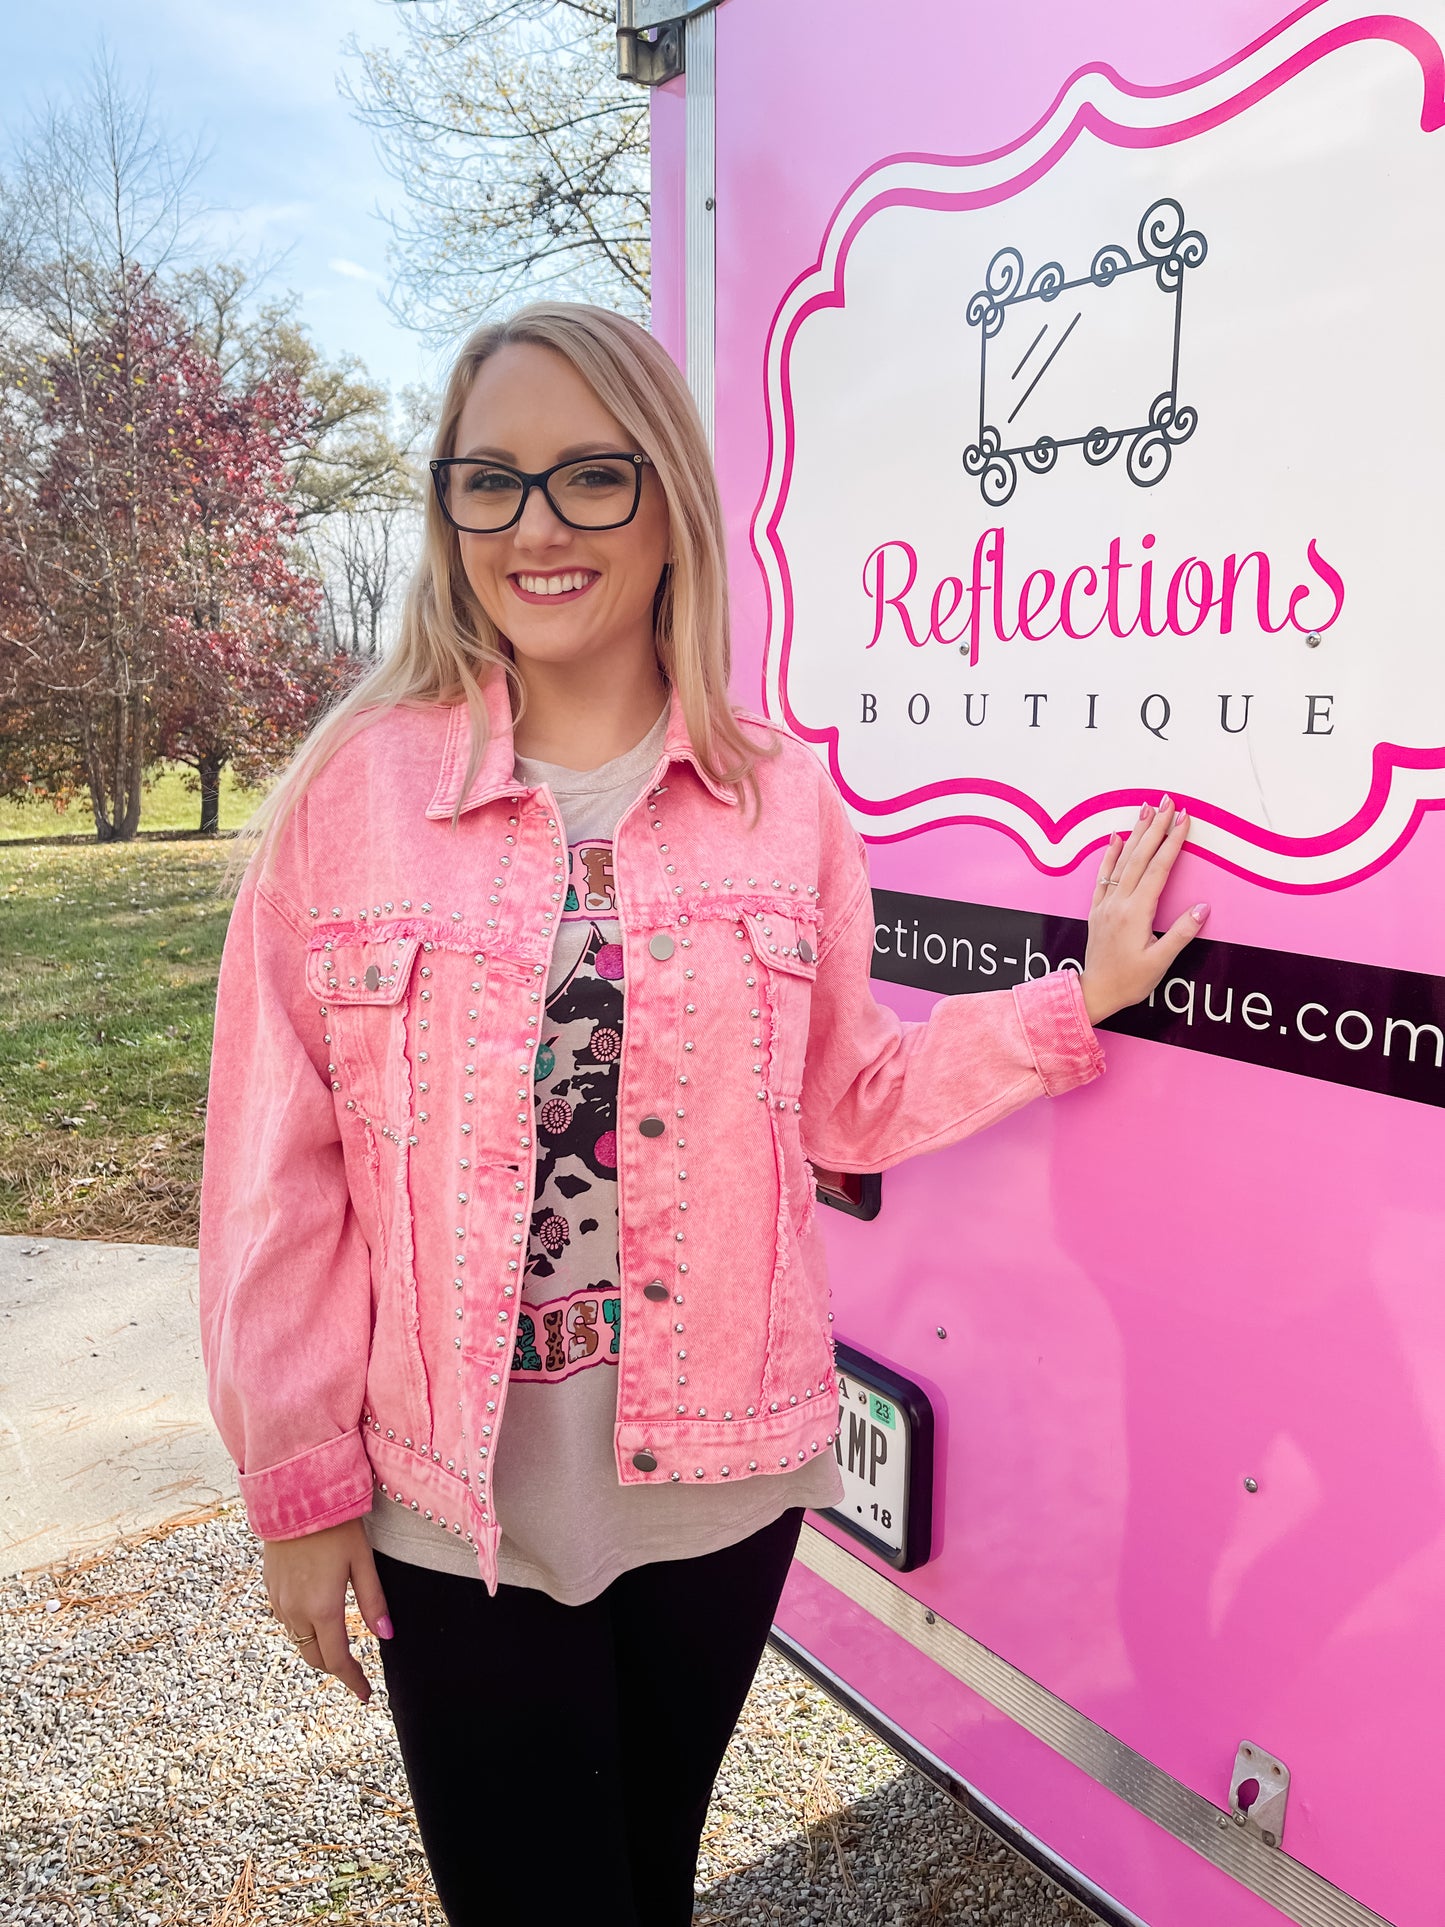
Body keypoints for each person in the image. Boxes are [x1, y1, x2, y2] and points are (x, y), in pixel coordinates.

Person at [198, 301, 1206, 1927]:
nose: (536, 527)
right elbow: (272, 1180)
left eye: (591, 477)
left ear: (668, 503)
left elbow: (843, 1101)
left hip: (720, 1481)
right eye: (490, 481)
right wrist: (301, 1495)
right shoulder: (352, 796)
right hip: (461, 1508)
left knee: (645, 1882)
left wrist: (1063, 1004)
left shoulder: (777, 796)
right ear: (447, 511)